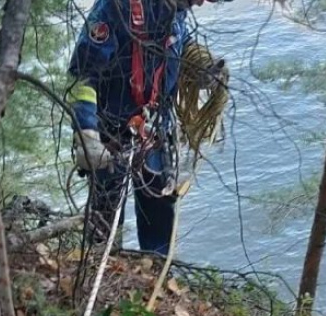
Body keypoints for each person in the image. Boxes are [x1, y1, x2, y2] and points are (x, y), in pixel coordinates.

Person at [66, 0, 228, 256]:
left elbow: (176, 39)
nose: (200, 3)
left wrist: (199, 64)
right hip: (111, 131)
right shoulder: (116, 7)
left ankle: (156, 268)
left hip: (154, 129)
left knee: (160, 203)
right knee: (106, 214)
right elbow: (82, 74)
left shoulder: (177, 9)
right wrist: (86, 134)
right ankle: (102, 265)